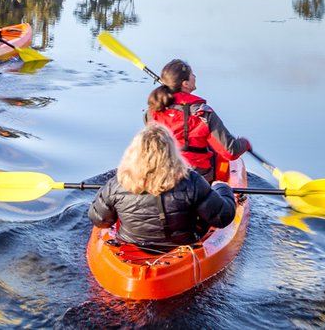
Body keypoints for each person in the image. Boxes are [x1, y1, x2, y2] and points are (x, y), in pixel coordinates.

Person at [88, 123, 236, 248]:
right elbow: (223, 218)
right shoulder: (192, 181)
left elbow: (99, 220)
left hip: (130, 245)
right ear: (172, 152)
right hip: (181, 246)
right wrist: (222, 188)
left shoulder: (118, 182)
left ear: (134, 152)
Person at [146, 59, 250, 181]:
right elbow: (231, 152)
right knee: (218, 153)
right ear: (185, 84)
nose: (194, 77)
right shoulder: (203, 113)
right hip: (196, 179)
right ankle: (219, 189)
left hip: (162, 174)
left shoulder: (152, 112)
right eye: (192, 75)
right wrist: (245, 143)